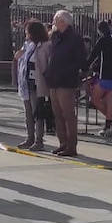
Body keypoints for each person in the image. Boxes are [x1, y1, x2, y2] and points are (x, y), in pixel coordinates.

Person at [43, 10, 88, 157]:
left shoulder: (75, 38)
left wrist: (68, 71)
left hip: (66, 81)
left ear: (63, 21)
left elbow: (80, 60)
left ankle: (71, 146)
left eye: (55, 19)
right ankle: (62, 142)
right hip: (54, 80)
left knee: (68, 114)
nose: (53, 22)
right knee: (57, 114)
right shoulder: (55, 36)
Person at [14, 21, 50, 151]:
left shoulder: (44, 46)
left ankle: (39, 140)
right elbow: (20, 58)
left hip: (37, 83)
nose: (26, 34)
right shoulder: (28, 45)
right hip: (26, 82)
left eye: (27, 31)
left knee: (37, 113)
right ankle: (29, 138)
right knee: (28, 113)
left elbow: (45, 63)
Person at [88, 21, 112, 138]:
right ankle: (108, 125)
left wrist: (84, 66)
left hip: (105, 74)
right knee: (109, 100)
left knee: (94, 99)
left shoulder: (103, 40)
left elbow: (93, 55)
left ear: (99, 31)